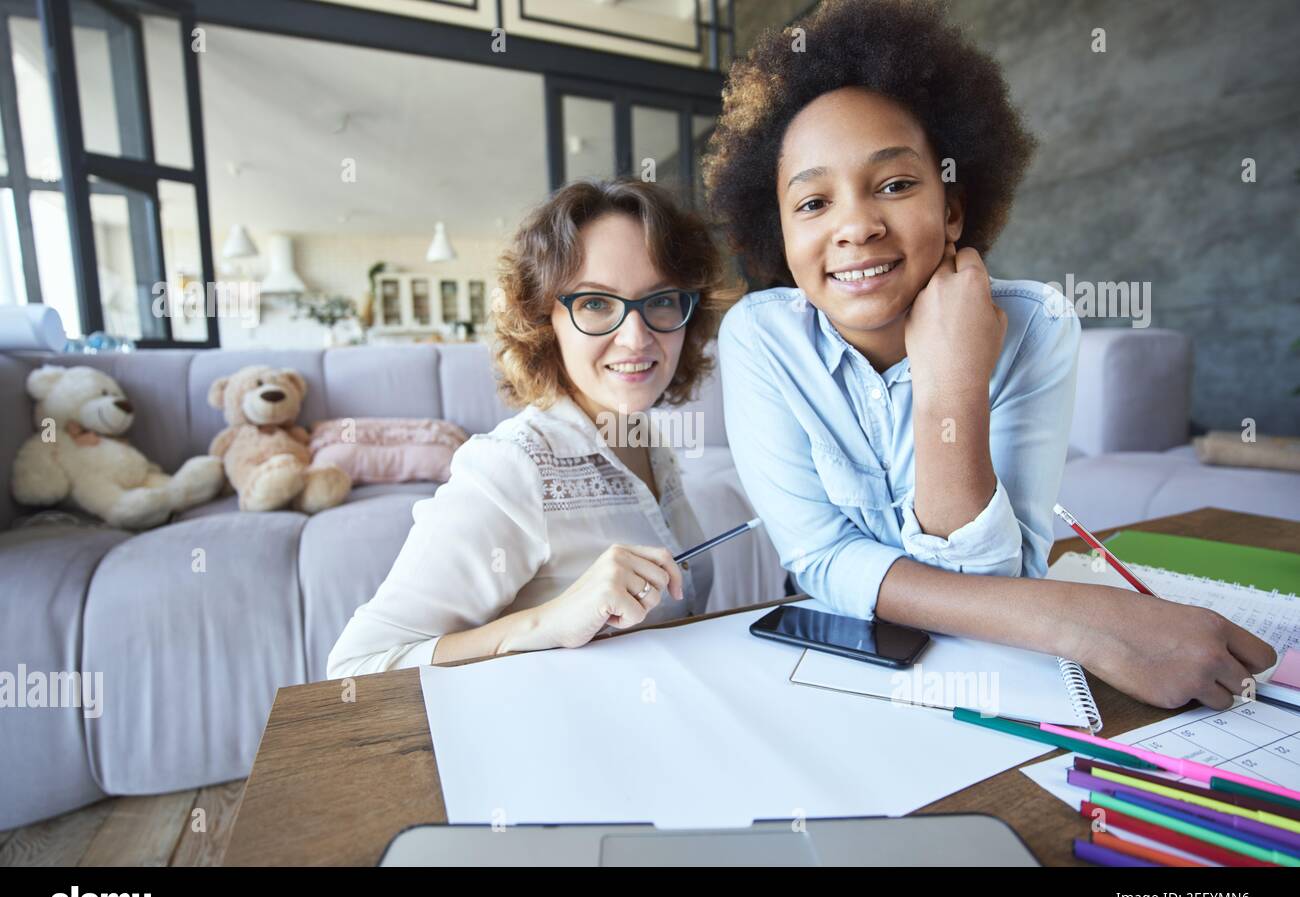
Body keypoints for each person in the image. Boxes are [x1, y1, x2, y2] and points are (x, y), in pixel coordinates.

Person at [702, 0, 1274, 709]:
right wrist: (1086, 624)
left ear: (951, 209)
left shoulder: (1036, 324)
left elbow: (1001, 571)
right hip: (837, 679)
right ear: (780, 233)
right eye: (812, 203)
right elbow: (818, 560)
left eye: (894, 184)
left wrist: (951, 385)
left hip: (1000, 684)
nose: (855, 225)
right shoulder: (760, 338)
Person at [328, 179, 736, 675]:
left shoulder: (644, 438)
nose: (636, 337)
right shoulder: (514, 468)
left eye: (661, 300)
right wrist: (545, 622)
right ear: (546, 321)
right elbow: (357, 667)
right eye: (595, 303)